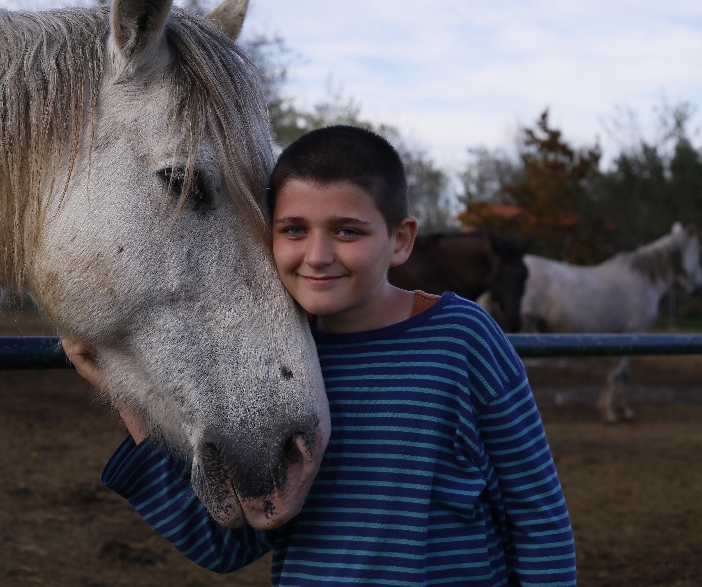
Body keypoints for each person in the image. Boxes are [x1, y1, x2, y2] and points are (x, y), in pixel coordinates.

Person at [63, 125, 576, 586]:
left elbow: (537, 518)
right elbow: (224, 544)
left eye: (347, 231)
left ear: (400, 240)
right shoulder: (265, 365)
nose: (317, 255)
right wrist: (122, 391)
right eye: (293, 230)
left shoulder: (463, 340)